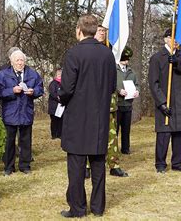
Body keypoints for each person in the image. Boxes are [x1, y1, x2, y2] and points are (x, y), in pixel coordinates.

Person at [59, 15, 116, 218]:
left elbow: (66, 88)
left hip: (77, 118)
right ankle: (98, 207)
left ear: (79, 30)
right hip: (100, 117)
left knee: (76, 167)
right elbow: (111, 87)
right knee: (98, 165)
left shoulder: (74, 53)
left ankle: (78, 208)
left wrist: (61, 99)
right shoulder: (107, 55)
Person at [148, 29, 181, 174]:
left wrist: (178, 62)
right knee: (164, 133)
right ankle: (160, 163)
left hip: (180, 100)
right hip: (166, 100)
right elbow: (153, 83)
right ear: (166, 39)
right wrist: (161, 103)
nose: (175, 41)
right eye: (173, 37)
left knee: (179, 133)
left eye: (177, 38)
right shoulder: (157, 58)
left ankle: (177, 162)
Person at [0, 50, 44, 175]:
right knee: (9, 141)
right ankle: (8, 167)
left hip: (26, 111)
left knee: (25, 140)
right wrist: (11, 91)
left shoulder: (32, 74)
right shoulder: (3, 74)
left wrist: (34, 92)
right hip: (10, 112)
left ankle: (25, 165)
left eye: (21, 60)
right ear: (11, 62)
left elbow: (40, 88)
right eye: (17, 60)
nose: (20, 63)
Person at [94, 25, 128, 178]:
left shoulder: (111, 52)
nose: (102, 33)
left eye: (103, 31)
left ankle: (114, 164)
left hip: (109, 101)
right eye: (99, 30)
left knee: (111, 134)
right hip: (92, 102)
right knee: (91, 133)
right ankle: (88, 166)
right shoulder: (87, 50)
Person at [116, 46, 139, 155]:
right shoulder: (114, 70)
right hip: (117, 104)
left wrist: (137, 91)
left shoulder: (132, 72)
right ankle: (113, 148)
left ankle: (125, 148)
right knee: (115, 129)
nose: (127, 61)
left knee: (126, 129)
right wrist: (118, 91)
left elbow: (137, 84)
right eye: (125, 59)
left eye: (128, 59)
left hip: (128, 104)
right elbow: (111, 84)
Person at [48, 68, 63, 139]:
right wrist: (58, 97)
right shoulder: (53, 83)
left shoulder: (64, 83)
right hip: (54, 106)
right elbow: (52, 93)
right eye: (58, 74)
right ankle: (54, 135)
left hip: (61, 106)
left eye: (61, 74)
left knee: (60, 121)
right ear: (56, 75)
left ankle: (60, 134)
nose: (59, 75)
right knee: (54, 121)